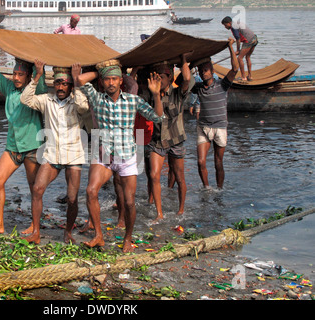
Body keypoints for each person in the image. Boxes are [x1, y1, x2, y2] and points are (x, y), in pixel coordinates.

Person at [77, 59, 165, 253]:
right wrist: (100, 68)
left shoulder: (132, 100)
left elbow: (157, 117)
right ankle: (98, 236)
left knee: (129, 201)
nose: (111, 83)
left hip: (127, 157)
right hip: (104, 156)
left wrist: (156, 95)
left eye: (115, 79)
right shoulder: (97, 99)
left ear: (120, 82)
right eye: (107, 79)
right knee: (91, 191)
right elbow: (80, 79)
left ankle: (127, 238)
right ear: (102, 82)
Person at [0, 32, 48, 234]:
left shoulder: (36, 91)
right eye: (14, 74)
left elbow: (40, 82)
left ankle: (35, 227)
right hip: (13, 146)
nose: (16, 78)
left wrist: (37, 69)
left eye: (20, 75)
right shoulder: (9, 89)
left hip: (33, 147)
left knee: (35, 189)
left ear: (27, 77)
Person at [20, 61, 89, 244]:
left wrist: (76, 79)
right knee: (37, 189)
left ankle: (67, 232)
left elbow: (84, 107)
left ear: (70, 86)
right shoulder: (46, 100)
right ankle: (35, 232)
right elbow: (25, 99)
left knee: (72, 199)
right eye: (58, 83)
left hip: (73, 154)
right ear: (53, 84)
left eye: (65, 84)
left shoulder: (76, 100)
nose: (60, 87)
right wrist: (37, 76)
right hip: (52, 154)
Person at [144, 54, 193, 221]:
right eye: (156, 77)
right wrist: (156, 94)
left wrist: (183, 60)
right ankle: (159, 213)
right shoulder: (151, 94)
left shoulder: (178, 93)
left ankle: (181, 210)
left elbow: (186, 78)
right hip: (157, 140)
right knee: (154, 175)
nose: (159, 80)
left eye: (162, 77)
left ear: (170, 77)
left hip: (175, 139)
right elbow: (156, 116)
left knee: (179, 177)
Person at [190, 38, 239, 190]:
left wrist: (230, 47)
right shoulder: (198, 87)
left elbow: (235, 69)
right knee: (201, 162)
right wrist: (188, 64)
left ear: (212, 71)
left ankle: (219, 188)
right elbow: (183, 81)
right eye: (200, 71)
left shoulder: (222, 85)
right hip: (203, 127)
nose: (203, 73)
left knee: (218, 162)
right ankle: (207, 188)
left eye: (205, 70)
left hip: (220, 127)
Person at [221, 16, 258, 81]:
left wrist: (238, 50)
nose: (225, 27)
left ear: (229, 23)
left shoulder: (233, 27)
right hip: (254, 38)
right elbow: (240, 37)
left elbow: (238, 39)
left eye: (225, 25)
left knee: (239, 58)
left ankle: (243, 77)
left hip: (248, 40)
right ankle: (250, 76)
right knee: (248, 57)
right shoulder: (237, 23)